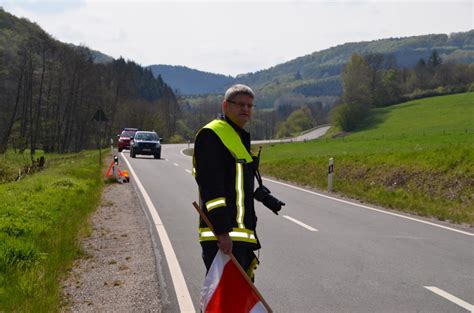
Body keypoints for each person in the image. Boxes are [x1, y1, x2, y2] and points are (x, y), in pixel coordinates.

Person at [193, 84, 260, 280]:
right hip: (223, 238)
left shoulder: (238, 137)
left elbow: (238, 185)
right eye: (240, 104)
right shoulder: (212, 135)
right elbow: (211, 188)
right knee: (223, 302)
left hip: (241, 236)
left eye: (249, 106)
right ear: (225, 105)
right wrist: (222, 232)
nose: (245, 109)